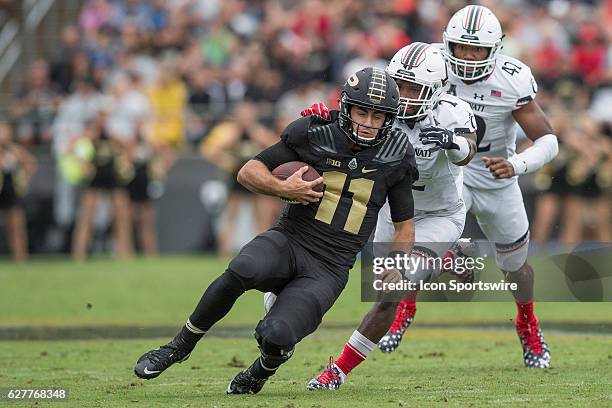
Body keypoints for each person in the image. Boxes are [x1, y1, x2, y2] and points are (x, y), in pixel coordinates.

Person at [133, 67, 419, 395]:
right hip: (290, 239)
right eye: (362, 112)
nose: (369, 123)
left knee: (277, 333)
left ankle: (260, 370)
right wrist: (282, 188)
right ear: (346, 108)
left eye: (378, 116)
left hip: (330, 266)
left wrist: (396, 265)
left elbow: (404, 225)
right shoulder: (314, 132)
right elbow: (248, 170)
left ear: (390, 118)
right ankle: (178, 345)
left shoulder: (397, 153)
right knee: (242, 267)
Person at [382, 5, 558, 369]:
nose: (467, 56)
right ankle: (403, 311)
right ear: (448, 44)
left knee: (516, 264)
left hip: (496, 176)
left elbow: (548, 140)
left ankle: (527, 324)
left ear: (494, 49)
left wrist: (516, 164)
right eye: (461, 47)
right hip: (447, 174)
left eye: (476, 49)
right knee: (413, 241)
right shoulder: (429, 68)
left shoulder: (511, 80)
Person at [301, 42, 477, 390]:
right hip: (391, 213)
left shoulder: (451, 113)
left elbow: (468, 151)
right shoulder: (380, 111)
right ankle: (449, 259)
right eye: (402, 85)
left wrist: (451, 142)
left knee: (391, 292)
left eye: (415, 89)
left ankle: (337, 371)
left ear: (437, 90)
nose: (406, 96)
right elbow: (344, 127)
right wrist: (321, 120)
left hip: (438, 215)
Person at [0, 121, 37, 261]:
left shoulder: (15, 150)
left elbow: (31, 165)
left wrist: (25, 177)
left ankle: (20, 258)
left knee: (16, 227)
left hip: (12, 192)